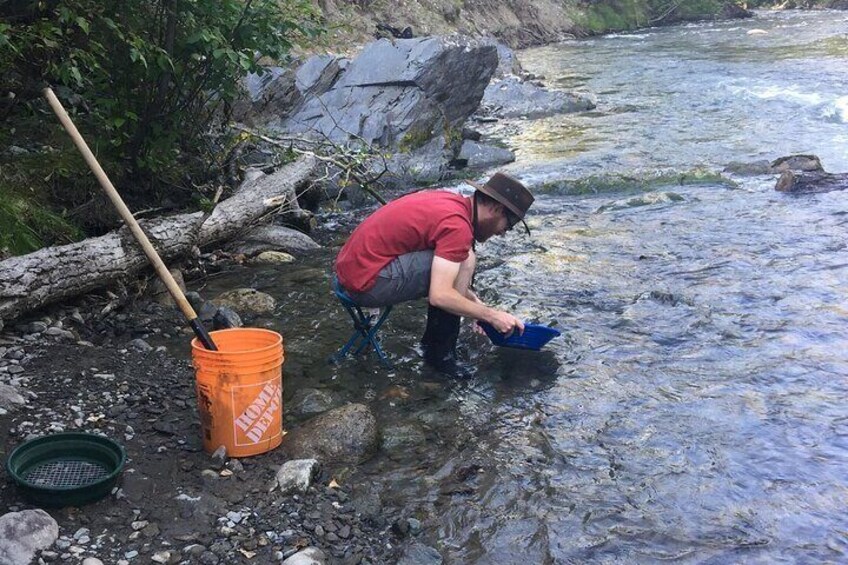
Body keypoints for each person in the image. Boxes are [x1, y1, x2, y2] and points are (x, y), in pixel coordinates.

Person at [334, 172, 534, 375]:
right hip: (365, 286)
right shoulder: (458, 226)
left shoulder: (451, 202)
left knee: (463, 257)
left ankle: (433, 347)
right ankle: (440, 357)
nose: (501, 234)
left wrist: (476, 307)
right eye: (507, 227)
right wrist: (492, 316)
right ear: (497, 208)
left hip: (350, 272)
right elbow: (440, 295)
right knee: (464, 258)